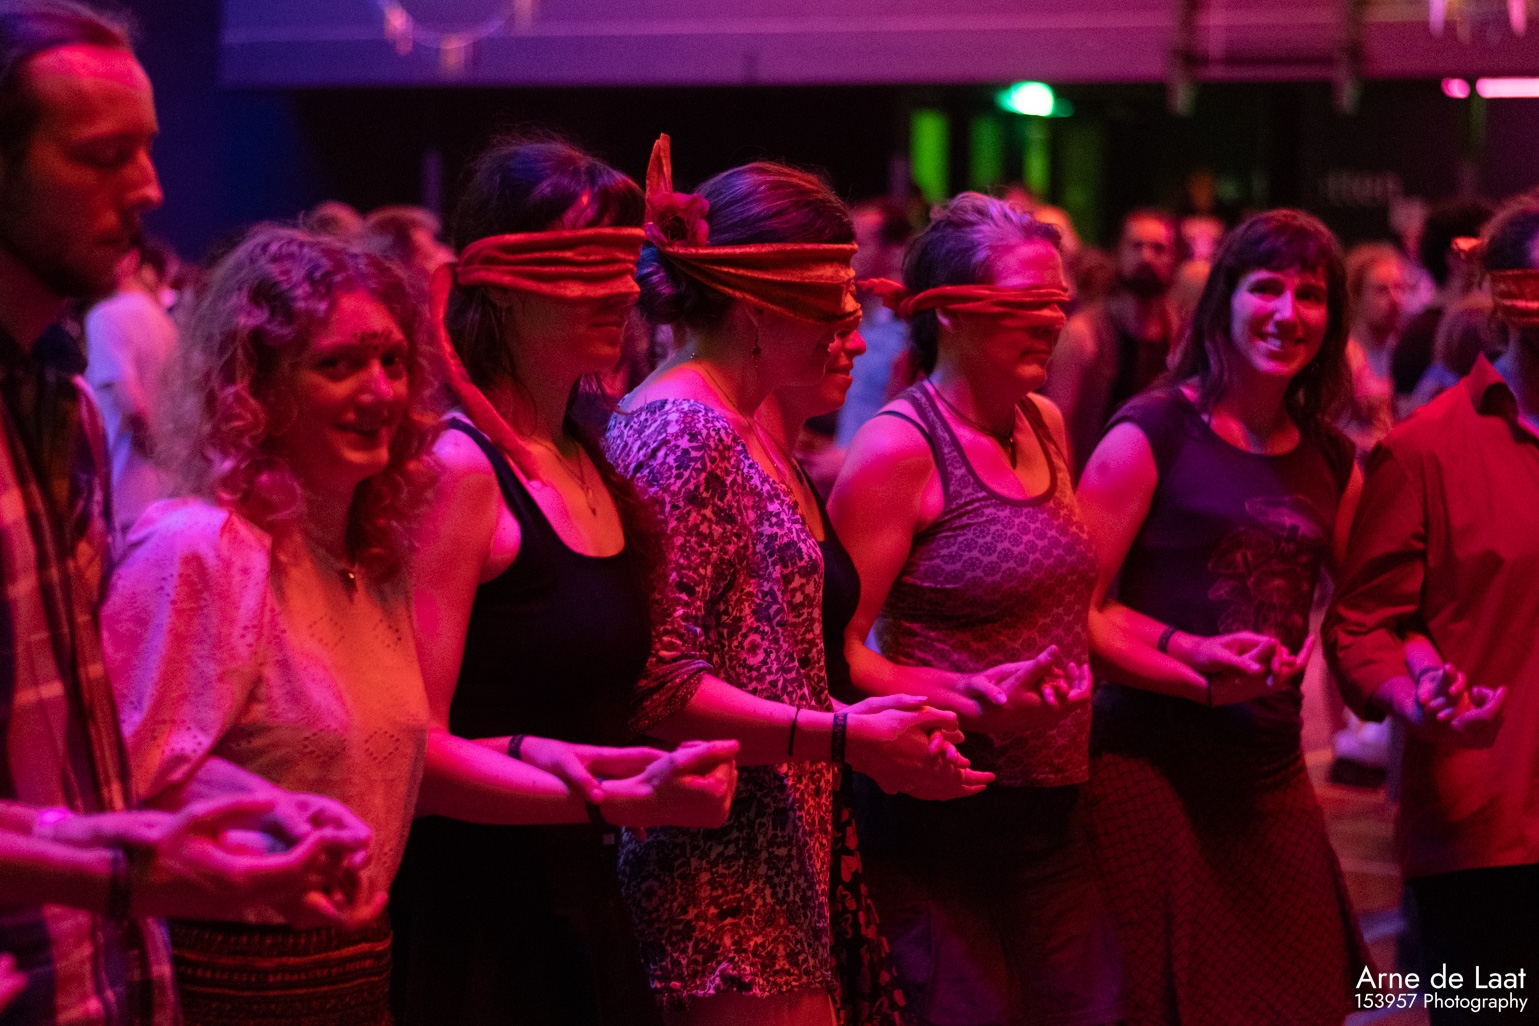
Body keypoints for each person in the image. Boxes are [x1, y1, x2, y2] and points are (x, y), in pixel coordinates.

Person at [0, 6, 368, 1024]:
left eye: (149, 148)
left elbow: (77, 759)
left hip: (105, 982)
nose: (151, 188)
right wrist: (117, 866)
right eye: (102, 156)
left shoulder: (60, 405)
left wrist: (249, 811)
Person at [609, 135, 989, 1026]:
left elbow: (784, 659)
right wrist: (848, 738)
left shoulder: (743, 423)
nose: (853, 327)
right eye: (832, 301)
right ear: (754, 306)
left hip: (773, 855)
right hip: (712, 876)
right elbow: (659, 688)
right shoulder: (681, 434)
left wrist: (899, 713)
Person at [390, 136, 740, 1026]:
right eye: (583, 265)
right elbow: (414, 754)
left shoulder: (589, 454)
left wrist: (634, 775)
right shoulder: (460, 471)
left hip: (581, 905)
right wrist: (613, 796)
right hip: (477, 925)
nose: (621, 291)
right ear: (500, 285)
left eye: (624, 263)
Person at [1075, 209, 1372, 1026]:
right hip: (1145, 760)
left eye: (1309, 294)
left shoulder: (1330, 459)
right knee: (1160, 1005)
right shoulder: (1151, 431)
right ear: (1222, 302)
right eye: (1265, 288)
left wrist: (1418, 682)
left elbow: (1365, 614)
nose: (1287, 312)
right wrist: (1193, 672)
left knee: (1307, 997)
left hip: (1266, 769)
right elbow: (1072, 615)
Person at [829, 193, 1120, 1026]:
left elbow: (1071, 610)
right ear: (949, 312)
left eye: (1057, 301)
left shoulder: (1044, 422)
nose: (1051, 322)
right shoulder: (899, 447)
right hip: (937, 818)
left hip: (1052, 809)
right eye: (1025, 302)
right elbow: (835, 652)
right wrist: (968, 697)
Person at [1323, 193, 1538, 1026]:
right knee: (1485, 1010)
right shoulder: (1423, 450)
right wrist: (1412, 693)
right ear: (1501, 300)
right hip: (1486, 829)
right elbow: (1362, 622)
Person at [1046, 208, 1179, 475]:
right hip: (1093, 481)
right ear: (1118, 252)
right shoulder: (1083, 334)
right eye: (1136, 246)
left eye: (1159, 248)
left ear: (1174, 258)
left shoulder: (1180, 334)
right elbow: (1055, 428)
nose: (1146, 257)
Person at [84, 239, 177, 542]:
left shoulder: (106, 316)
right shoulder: (162, 320)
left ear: (130, 260)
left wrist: (158, 453)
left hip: (125, 492)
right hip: (162, 493)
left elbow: (130, 403)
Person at [1392, 199, 1493, 404]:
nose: (1495, 264)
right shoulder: (1424, 340)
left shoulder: (1414, 337)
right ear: (1458, 257)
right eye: (1486, 252)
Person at [835, 200, 911, 451]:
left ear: (895, 250)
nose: (849, 253)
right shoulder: (856, 315)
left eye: (861, 244)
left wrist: (849, 456)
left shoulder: (910, 325)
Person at [1341, 242, 1409, 456]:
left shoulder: (1405, 354)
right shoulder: (1342, 358)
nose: (1395, 298)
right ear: (1355, 295)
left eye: (1399, 288)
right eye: (1381, 290)